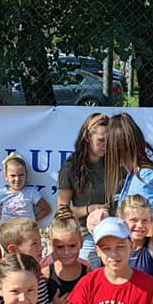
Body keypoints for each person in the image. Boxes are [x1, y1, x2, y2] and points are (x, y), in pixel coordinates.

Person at [104, 112, 153, 266]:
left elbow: (151, 228)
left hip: (150, 257)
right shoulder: (134, 175)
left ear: (115, 147)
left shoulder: (145, 177)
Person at [57, 112, 109, 267]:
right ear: (87, 137)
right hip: (86, 235)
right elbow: (62, 210)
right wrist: (89, 209)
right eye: (101, 140)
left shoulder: (114, 164)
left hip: (111, 232)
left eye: (109, 141)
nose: (106, 146)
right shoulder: (71, 168)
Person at [0, 218, 52, 304]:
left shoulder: (38, 275)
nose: (41, 247)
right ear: (13, 249)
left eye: (40, 242)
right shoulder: (0, 276)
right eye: (34, 243)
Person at [0, 152, 51, 223]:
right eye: (13, 175)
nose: (17, 179)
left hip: (26, 229)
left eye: (21, 175)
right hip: (8, 229)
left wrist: (32, 221)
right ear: (6, 176)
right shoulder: (1, 193)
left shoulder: (31, 192)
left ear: (26, 175)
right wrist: (3, 219)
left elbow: (47, 209)